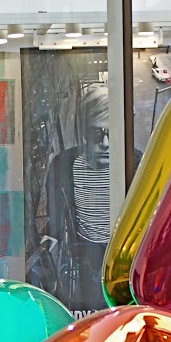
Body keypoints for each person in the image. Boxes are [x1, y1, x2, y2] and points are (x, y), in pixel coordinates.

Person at [28, 82, 114, 312]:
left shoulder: (135, 165)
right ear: (84, 131)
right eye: (97, 133)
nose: (105, 144)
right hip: (78, 269)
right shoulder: (63, 167)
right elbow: (50, 226)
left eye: (111, 133)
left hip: (120, 268)